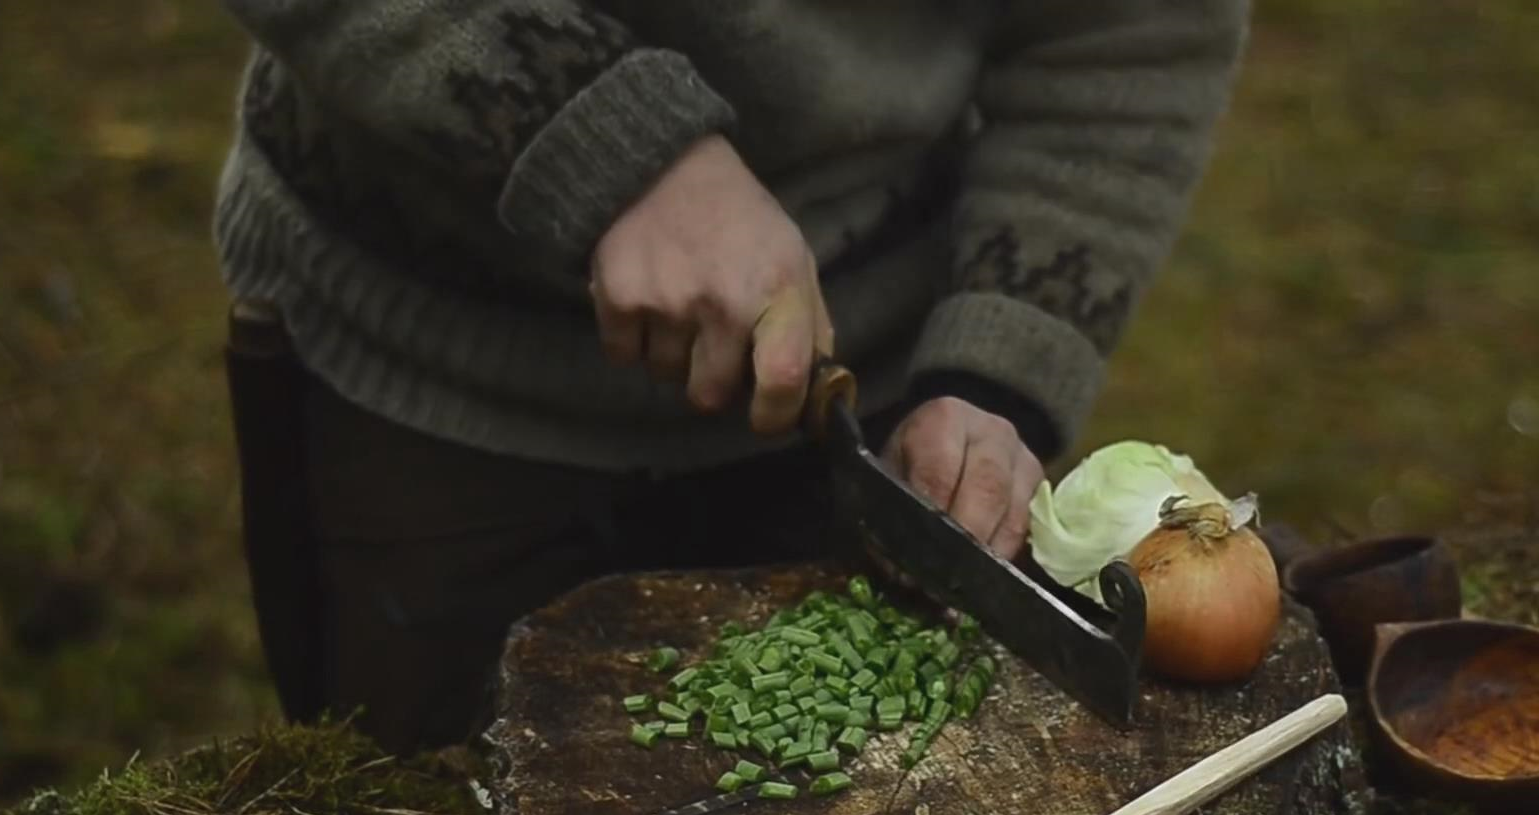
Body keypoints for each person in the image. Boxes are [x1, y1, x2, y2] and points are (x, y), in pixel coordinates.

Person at [212, 0, 1251, 755]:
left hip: (868, 388)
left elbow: (1132, 29)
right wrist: (600, 137)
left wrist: (998, 367)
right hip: (430, 354)